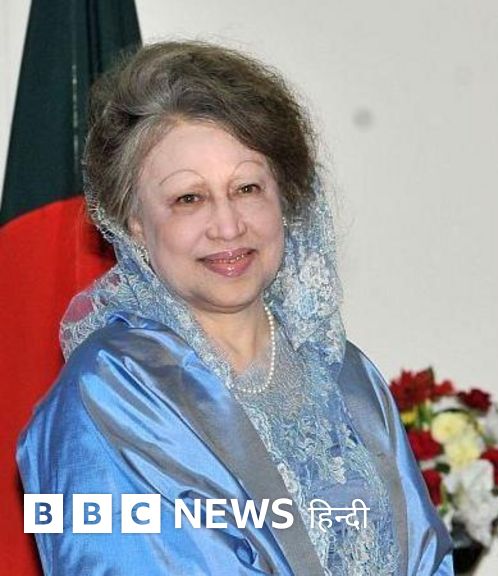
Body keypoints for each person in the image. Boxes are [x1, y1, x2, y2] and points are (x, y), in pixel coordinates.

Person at [17, 41, 452, 575]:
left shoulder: (345, 374)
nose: (228, 226)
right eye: (189, 198)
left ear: (285, 199)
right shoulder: (108, 391)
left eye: (247, 188)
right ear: (134, 223)